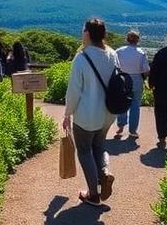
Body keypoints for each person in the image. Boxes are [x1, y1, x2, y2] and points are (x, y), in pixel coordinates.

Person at [63, 18, 118, 206]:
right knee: (99, 146)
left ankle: (93, 194)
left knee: (85, 150)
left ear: (87, 33)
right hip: (108, 113)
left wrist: (67, 113)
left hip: (86, 115)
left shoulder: (82, 57)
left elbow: (74, 91)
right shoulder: (112, 54)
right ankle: (105, 172)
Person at [114, 30, 149, 139]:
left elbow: (114, 66)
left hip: (123, 78)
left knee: (122, 103)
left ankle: (120, 126)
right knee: (135, 105)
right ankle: (133, 130)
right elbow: (146, 70)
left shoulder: (119, 51)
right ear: (138, 40)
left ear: (127, 39)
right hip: (137, 79)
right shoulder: (141, 53)